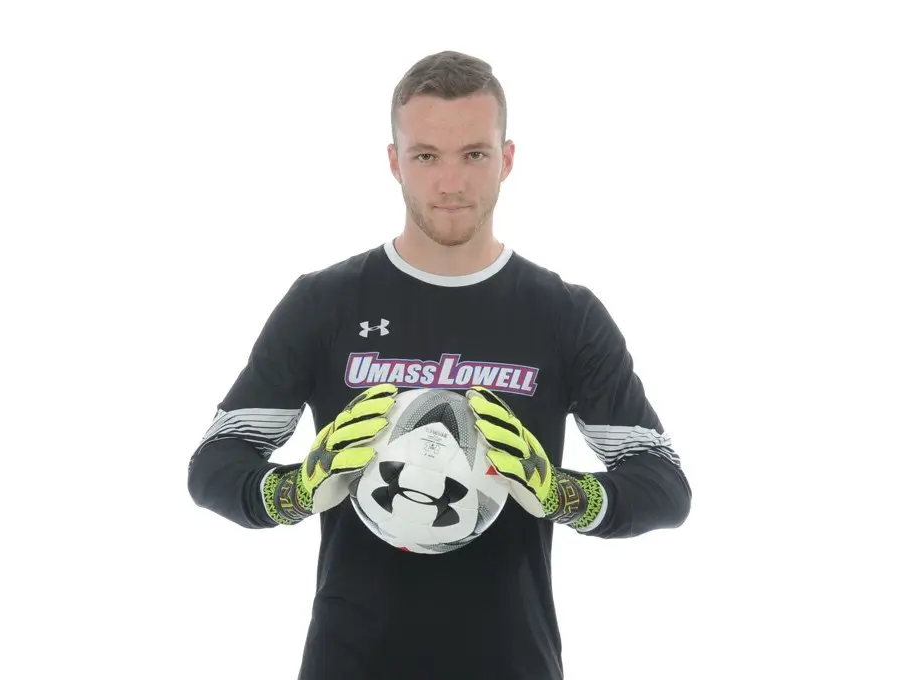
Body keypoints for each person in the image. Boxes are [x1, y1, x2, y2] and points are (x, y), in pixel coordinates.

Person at [187, 50, 692, 680]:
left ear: (507, 159)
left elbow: (664, 486)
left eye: (474, 155)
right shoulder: (325, 302)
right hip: (351, 662)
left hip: (512, 663)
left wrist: (559, 491)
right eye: (426, 156)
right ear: (395, 162)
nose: (451, 183)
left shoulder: (563, 314)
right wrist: (294, 490)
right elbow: (214, 463)